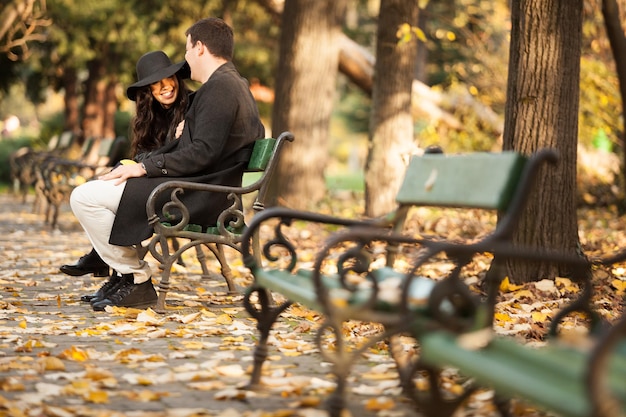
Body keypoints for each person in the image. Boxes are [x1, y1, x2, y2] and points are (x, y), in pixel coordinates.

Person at [69, 17, 265, 312]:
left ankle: (135, 277)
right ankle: (125, 276)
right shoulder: (230, 84)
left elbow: (203, 152)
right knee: (99, 189)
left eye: (187, 50)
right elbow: (252, 133)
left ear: (199, 48)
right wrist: (189, 127)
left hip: (197, 195)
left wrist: (144, 168)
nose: (185, 59)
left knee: (84, 197)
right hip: (202, 188)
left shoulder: (221, 87)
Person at [60, 50, 191, 287]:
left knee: (102, 192)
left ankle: (116, 264)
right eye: (156, 84)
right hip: (156, 179)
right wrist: (128, 166)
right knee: (111, 180)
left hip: (177, 190)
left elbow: (183, 158)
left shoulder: (192, 109)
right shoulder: (152, 115)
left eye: (169, 79)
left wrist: (182, 137)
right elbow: (144, 155)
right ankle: (106, 258)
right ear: (148, 91)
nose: (165, 87)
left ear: (177, 78)